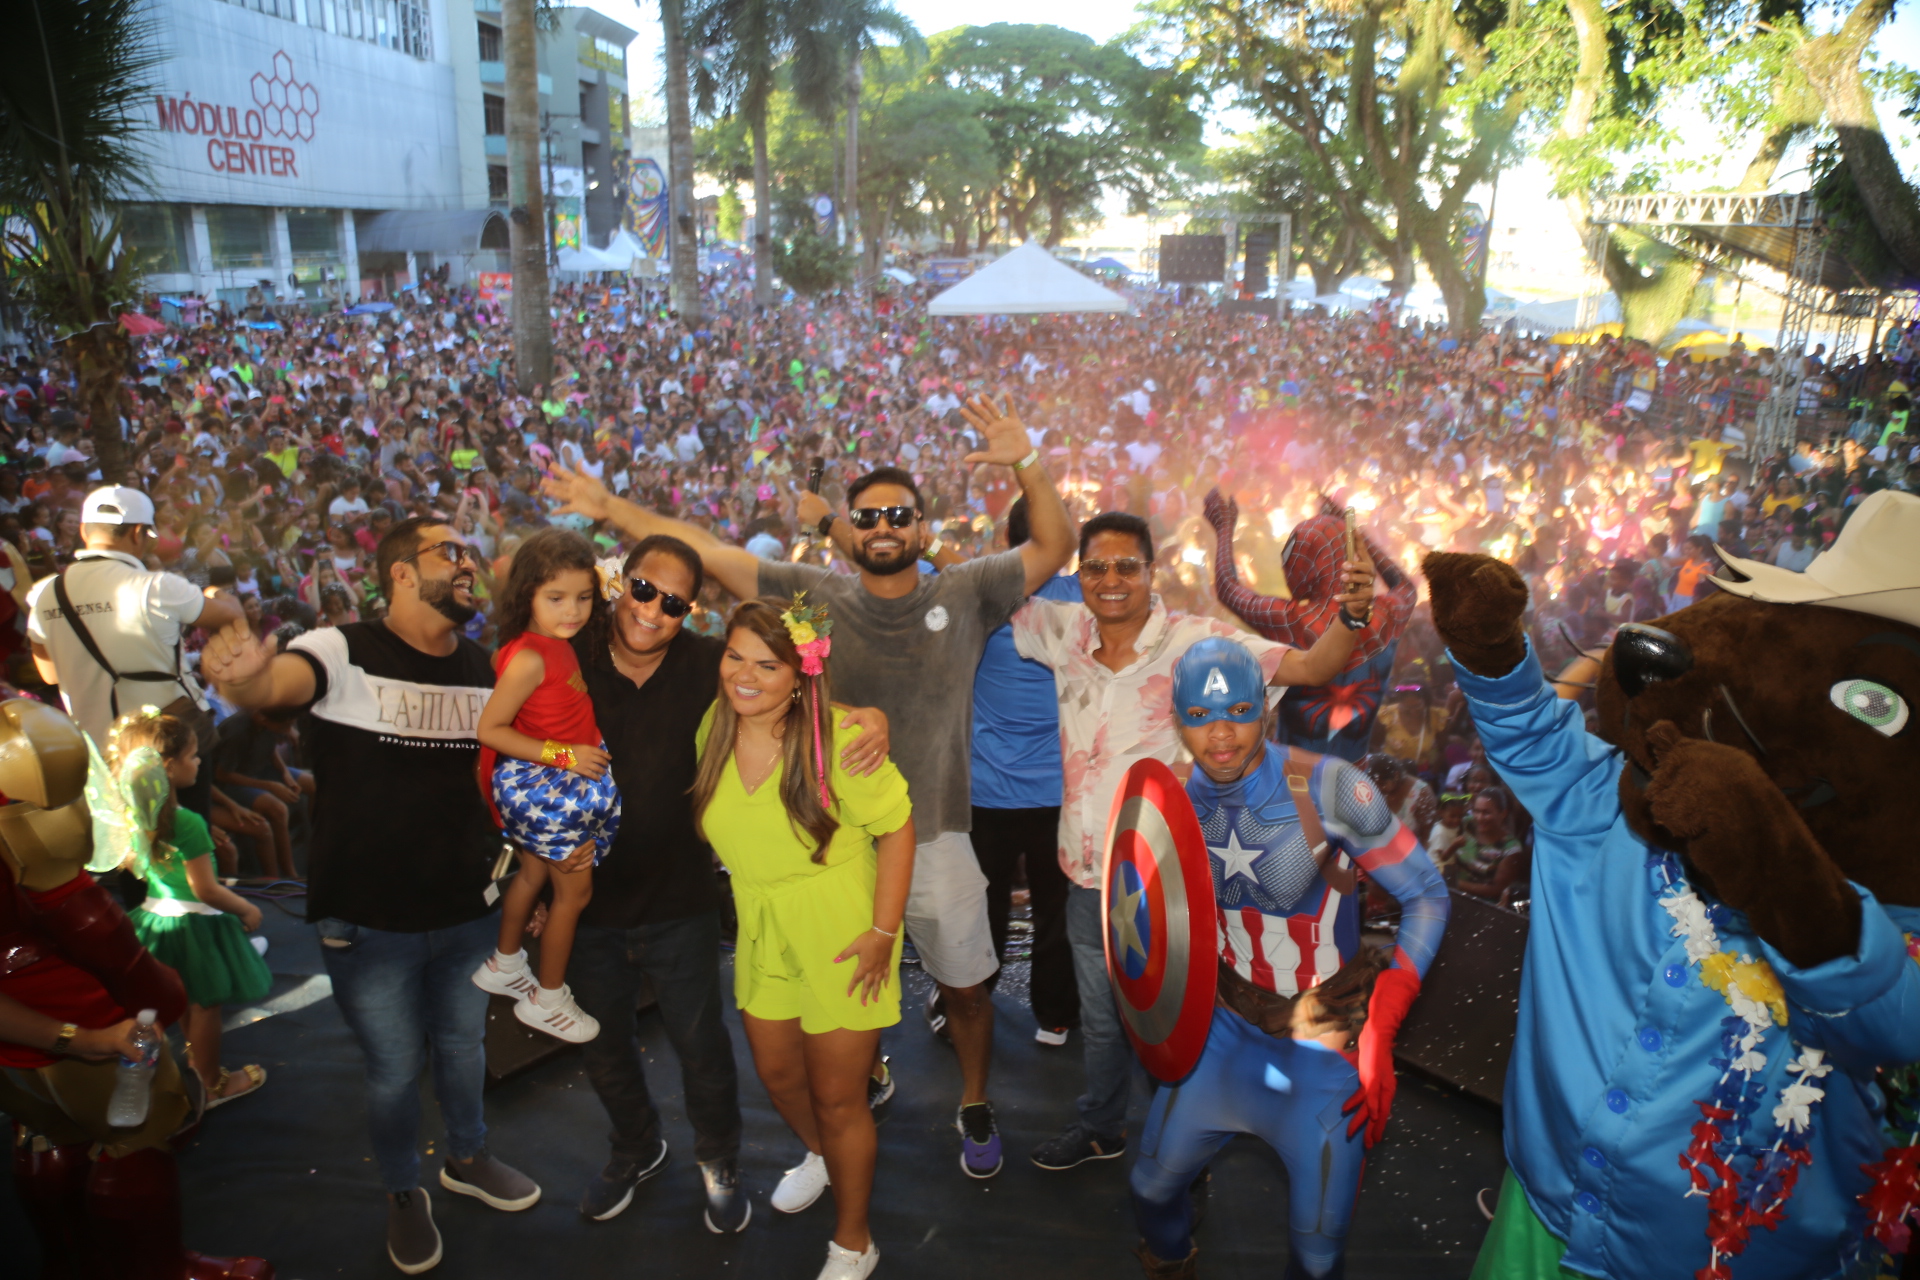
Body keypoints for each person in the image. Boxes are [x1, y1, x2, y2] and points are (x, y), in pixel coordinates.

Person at [545, 392, 1074, 1181]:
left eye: (900, 515)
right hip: (828, 856)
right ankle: (866, 1081)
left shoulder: (964, 594)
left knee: (967, 992)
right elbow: (709, 554)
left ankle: (972, 1099)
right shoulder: (811, 602)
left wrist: (1026, 460)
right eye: (868, 517)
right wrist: (607, 507)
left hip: (932, 838)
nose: (885, 527)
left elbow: (1055, 546)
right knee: (837, 1008)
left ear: (922, 531)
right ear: (848, 532)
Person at [200, 516, 540, 1276]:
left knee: (462, 1048)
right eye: (451, 552)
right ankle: (400, 1191)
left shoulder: (486, 667)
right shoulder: (339, 648)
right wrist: (248, 676)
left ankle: (468, 1155)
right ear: (397, 572)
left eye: (471, 555)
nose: (468, 565)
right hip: (368, 918)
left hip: (463, 910)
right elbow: (276, 684)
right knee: (392, 1071)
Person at [1012, 511, 1380, 1173]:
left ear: (1152, 573)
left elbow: (1313, 664)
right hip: (1087, 881)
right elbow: (992, 587)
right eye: (1095, 566)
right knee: (1101, 1022)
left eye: (1128, 566)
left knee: (1175, 1029)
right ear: (1079, 576)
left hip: (1169, 891)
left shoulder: (1198, 644)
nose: (1112, 579)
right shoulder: (1058, 629)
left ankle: (1184, 1153)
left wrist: (1351, 618)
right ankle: (1102, 1127)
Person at [564, 533, 889, 1231]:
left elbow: (797, 676)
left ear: (690, 611)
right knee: (613, 1048)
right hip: (593, 904)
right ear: (621, 582)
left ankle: (774, 1189)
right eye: (644, 590)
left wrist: (870, 717)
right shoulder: (571, 658)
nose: (654, 609)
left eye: (674, 601)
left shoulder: (714, 671)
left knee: (712, 1054)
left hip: (697, 907)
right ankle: (645, 1149)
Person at [1128, 638, 1449, 1280]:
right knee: (1150, 1188)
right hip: (1223, 1027)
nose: (1220, 736)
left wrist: (1383, 1021)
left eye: (1240, 711)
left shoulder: (1333, 788)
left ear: (1267, 711)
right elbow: (1145, 911)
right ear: (1178, 719)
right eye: (1199, 716)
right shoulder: (1169, 799)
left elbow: (1427, 895)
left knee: (1318, 1254)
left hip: (1321, 1043)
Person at [0, 698, 274, 1280]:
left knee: (47, 1134)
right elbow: (109, 945)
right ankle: (160, 1268)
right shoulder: (38, 850)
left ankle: (70, 1262)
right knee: (140, 1134)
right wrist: (87, 1034)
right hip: (78, 1020)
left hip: (18, 1041)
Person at [691, 598, 915, 1280]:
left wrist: (882, 932)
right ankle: (821, 1153)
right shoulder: (713, 725)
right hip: (760, 924)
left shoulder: (842, 738)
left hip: (841, 927)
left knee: (840, 1095)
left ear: (801, 675)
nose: (745, 676)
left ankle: (854, 1240)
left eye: (767, 664)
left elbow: (899, 829)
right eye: (734, 657)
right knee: (780, 1074)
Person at [470, 529, 620, 1044]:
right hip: (550, 784)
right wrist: (565, 754)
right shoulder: (533, 657)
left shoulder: (548, 643)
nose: (572, 611)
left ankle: (504, 962)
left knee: (531, 876)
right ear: (527, 594)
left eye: (583, 597)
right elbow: (489, 731)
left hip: (551, 778)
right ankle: (548, 998)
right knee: (573, 894)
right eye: (556, 598)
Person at [27, 485, 244, 818]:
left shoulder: (44, 595)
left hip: (102, 753)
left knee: (128, 855)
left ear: (84, 531)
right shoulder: (158, 586)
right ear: (140, 533)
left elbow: (50, 674)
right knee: (184, 846)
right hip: (169, 745)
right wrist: (217, 593)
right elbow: (232, 617)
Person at [94, 707, 272, 1106]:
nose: (198, 763)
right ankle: (211, 1083)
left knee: (180, 998)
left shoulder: (135, 817)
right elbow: (206, 890)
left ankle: (187, 1069)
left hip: (155, 918)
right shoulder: (186, 821)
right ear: (169, 768)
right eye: (193, 756)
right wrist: (244, 908)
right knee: (205, 1004)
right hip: (197, 924)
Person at [966, 496, 1082, 1048]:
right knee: (1054, 910)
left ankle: (971, 1007)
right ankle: (1056, 1016)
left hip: (986, 791)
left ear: (1010, 539)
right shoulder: (1084, 600)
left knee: (980, 907)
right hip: (1057, 791)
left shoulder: (981, 594)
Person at [1449, 787, 1529, 907]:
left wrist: (1456, 883)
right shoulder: (1466, 824)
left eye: (1486, 813)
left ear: (1503, 814)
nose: (1479, 818)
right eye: (1477, 811)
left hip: (1482, 906)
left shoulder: (1510, 848)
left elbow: (1497, 889)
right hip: (1450, 896)